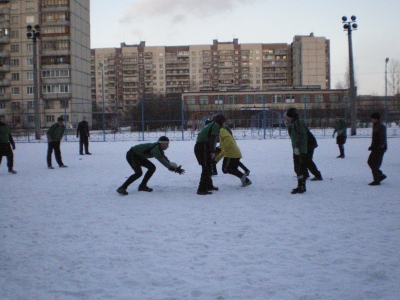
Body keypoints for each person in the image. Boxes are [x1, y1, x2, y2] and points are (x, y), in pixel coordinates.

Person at [116, 136, 185, 195]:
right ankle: (122, 188)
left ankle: (142, 186)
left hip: (139, 156)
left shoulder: (159, 149)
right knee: (138, 173)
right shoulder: (155, 149)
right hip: (132, 155)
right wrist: (174, 169)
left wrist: (173, 168)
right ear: (162, 144)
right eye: (166, 144)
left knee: (152, 168)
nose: (168, 146)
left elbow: (165, 160)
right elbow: (163, 162)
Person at [194, 114, 226, 195]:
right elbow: (213, 140)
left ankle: (208, 185)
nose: (225, 124)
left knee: (209, 166)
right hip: (203, 147)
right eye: (224, 122)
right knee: (206, 167)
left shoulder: (212, 124)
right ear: (221, 121)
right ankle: (201, 189)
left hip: (201, 146)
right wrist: (213, 151)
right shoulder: (216, 126)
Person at [284, 108, 308, 194]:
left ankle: (302, 186)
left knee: (300, 167)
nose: (286, 118)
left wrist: (297, 147)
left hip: (300, 149)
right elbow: (292, 135)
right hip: (296, 148)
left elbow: (301, 135)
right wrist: (289, 126)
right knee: (297, 168)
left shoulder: (299, 123)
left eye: (288, 117)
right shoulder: (294, 123)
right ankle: (300, 185)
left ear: (292, 116)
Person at [367, 112, 387, 186]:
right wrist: (372, 146)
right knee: (370, 162)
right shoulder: (375, 125)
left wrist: (380, 146)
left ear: (376, 119)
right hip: (375, 147)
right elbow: (375, 138)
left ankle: (376, 180)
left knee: (375, 164)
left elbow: (382, 138)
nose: (371, 120)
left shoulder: (381, 126)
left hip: (379, 148)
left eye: (372, 118)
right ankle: (380, 175)